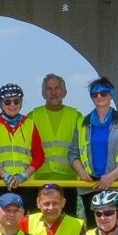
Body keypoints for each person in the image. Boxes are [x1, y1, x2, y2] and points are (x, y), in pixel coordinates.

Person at [68, 77, 118, 215]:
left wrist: (111, 177)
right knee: (92, 229)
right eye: (94, 94)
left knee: (114, 226)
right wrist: (82, 174)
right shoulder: (81, 122)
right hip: (91, 185)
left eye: (103, 93)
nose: (99, 96)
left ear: (111, 94)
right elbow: (73, 153)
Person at [28, 73, 84, 214]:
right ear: (43, 93)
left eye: (57, 88)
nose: (53, 92)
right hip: (39, 180)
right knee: (39, 225)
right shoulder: (32, 116)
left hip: (68, 180)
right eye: (49, 89)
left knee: (68, 223)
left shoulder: (76, 116)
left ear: (64, 92)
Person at [0, 83, 44, 210]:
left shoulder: (30, 124)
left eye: (16, 101)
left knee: (26, 223)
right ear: (1, 103)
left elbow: (39, 156)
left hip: (26, 183)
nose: (12, 105)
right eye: (7, 102)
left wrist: (24, 175)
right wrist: (5, 175)